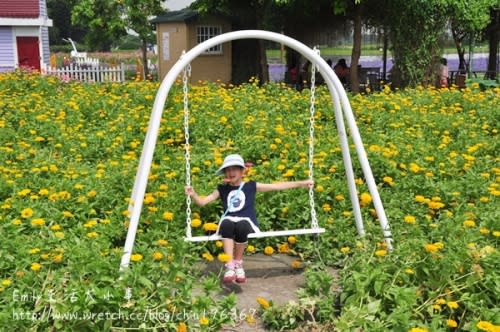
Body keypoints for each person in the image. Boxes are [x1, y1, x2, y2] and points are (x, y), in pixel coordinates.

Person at [185, 154, 313, 284]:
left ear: (242, 172)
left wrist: (301, 183)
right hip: (229, 221)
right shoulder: (222, 189)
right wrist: (193, 194)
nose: (231, 172)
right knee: (227, 224)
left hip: (247, 221)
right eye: (228, 170)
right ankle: (230, 265)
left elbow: (276, 186)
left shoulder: (251, 186)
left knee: (241, 226)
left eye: (234, 169)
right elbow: (202, 202)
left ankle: (238, 264)